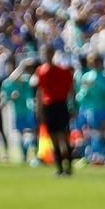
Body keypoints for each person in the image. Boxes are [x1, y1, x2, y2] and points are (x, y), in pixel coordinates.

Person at [32, 48, 75, 178]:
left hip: (59, 105)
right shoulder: (42, 71)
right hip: (50, 106)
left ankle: (67, 167)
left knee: (62, 137)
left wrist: (72, 107)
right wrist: (39, 110)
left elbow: (70, 91)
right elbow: (40, 92)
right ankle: (61, 168)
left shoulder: (61, 71)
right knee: (55, 138)